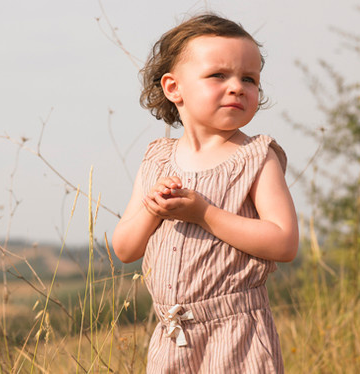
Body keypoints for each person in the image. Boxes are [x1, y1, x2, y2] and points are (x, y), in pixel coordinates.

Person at [112, 14, 298, 373]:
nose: (237, 87)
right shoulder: (157, 158)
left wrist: (204, 214)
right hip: (172, 334)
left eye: (249, 79)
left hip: (237, 334)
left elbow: (284, 242)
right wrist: (152, 209)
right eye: (218, 75)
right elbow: (125, 249)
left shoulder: (257, 157)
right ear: (173, 88)